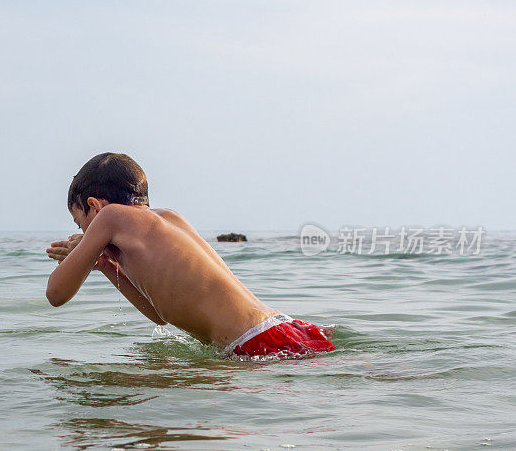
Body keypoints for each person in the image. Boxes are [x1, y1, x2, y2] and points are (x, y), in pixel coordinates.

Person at [45, 152, 334, 359]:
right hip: (280, 329)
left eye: (79, 222)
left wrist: (81, 252)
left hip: (254, 343)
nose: (83, 231)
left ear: (94, 206)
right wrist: (105, 265)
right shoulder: (168, 219)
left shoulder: (109, 217)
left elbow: (55, 294)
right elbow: (159, 315)